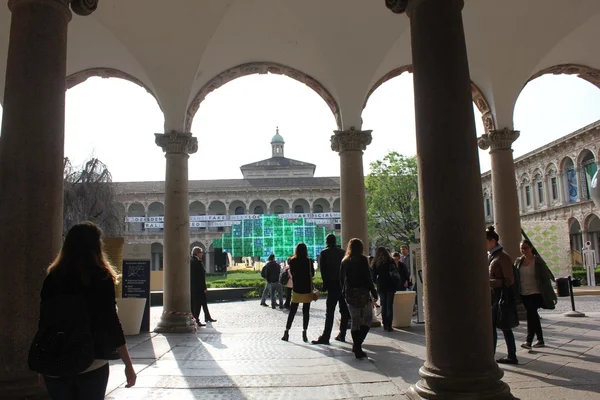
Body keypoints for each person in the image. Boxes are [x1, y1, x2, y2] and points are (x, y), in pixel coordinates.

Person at [34, 222, 136, 399]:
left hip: (56, 358)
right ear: (96, 246)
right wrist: (128, 363)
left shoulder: (53, 277)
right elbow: (111, 322)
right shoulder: (101, 277)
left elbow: (45, 321)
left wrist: (41, 362)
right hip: (92, 359)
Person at [516, 239, 557, 350]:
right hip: (524, 292)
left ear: (531, 248)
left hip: (536, 292)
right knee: (533, 316)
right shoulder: (519, 262)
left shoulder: (538, 262)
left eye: (526, 248)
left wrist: (551, 294)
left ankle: (529, 341)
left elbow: (545, 280)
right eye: (521, 248)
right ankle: (540, 339)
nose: (523, 250)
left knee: (531, 313)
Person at [341, 238, 378, 359]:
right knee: (367, 319)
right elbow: (368, 278)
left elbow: (341, 280)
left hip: (350, 294)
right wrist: (373, 291)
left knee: (355, 320)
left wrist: (343, 293)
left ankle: (357, 346)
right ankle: (358, 345)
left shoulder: (345, 261)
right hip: (363, 293)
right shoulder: (363, 260)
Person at [487, 226, 518, 365]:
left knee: (501, 326)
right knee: (500, 327)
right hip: (493, 296)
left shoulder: (503, 257)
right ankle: (507, 354)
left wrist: (489, 282)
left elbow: (509, 280)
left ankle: (505, 355)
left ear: (492, 241)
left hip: (500, 296)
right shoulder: (492, 256)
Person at [312, 234, 350, 344]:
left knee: (330, 311)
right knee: (344, 311)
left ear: (327, 242)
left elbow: (323, 271)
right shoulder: (343, 252)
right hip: (342, 285)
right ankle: (342, 334)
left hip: (332, 285)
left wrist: (325, 285)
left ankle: (326, 335)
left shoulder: (324, 253)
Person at [281, 243, 314, 343]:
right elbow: (312, 274)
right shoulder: (309, 261)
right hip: (307, 289)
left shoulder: (292, 261)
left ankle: (286, 332)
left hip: (296, 289)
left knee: (292, 312)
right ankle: (304, 333)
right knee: (306, 312)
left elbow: (293, 273)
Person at [372, 247, 405, 332]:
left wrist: (378, 282)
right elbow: (396, 272)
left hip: (381, 286)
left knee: (383, 305)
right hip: (391, 285)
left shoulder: (376, 262)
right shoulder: (391, 261)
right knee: (389, 305)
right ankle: (389, 325)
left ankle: (385, 324)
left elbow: (373, 277)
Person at [191, 247, 216, 326]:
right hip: (198, 287)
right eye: (201, 252)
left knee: (203, 302)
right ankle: (196, 319)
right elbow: (200, 277)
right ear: (197, 253)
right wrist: (204, 287)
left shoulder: (193, 261)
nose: (202, 254)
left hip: (195, 287)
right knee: (198, 304)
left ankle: (207, 317)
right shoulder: (196, 262)